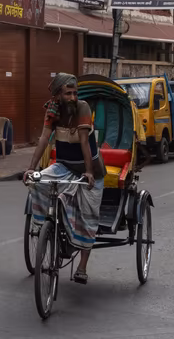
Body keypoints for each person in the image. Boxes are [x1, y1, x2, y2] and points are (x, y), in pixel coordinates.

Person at [24, 73, 106, 285]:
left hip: (90, 170)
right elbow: (44, 138)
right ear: (58, 95)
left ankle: (82, 267)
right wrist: (31, 168)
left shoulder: (83, 108)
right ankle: (46, 226)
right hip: (64, 165)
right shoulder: (53, 110)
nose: (72, 97)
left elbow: (84, 143)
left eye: (75, 93)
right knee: (38, 180)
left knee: (87, 215)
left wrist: (88, 172)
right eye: (68, 93)